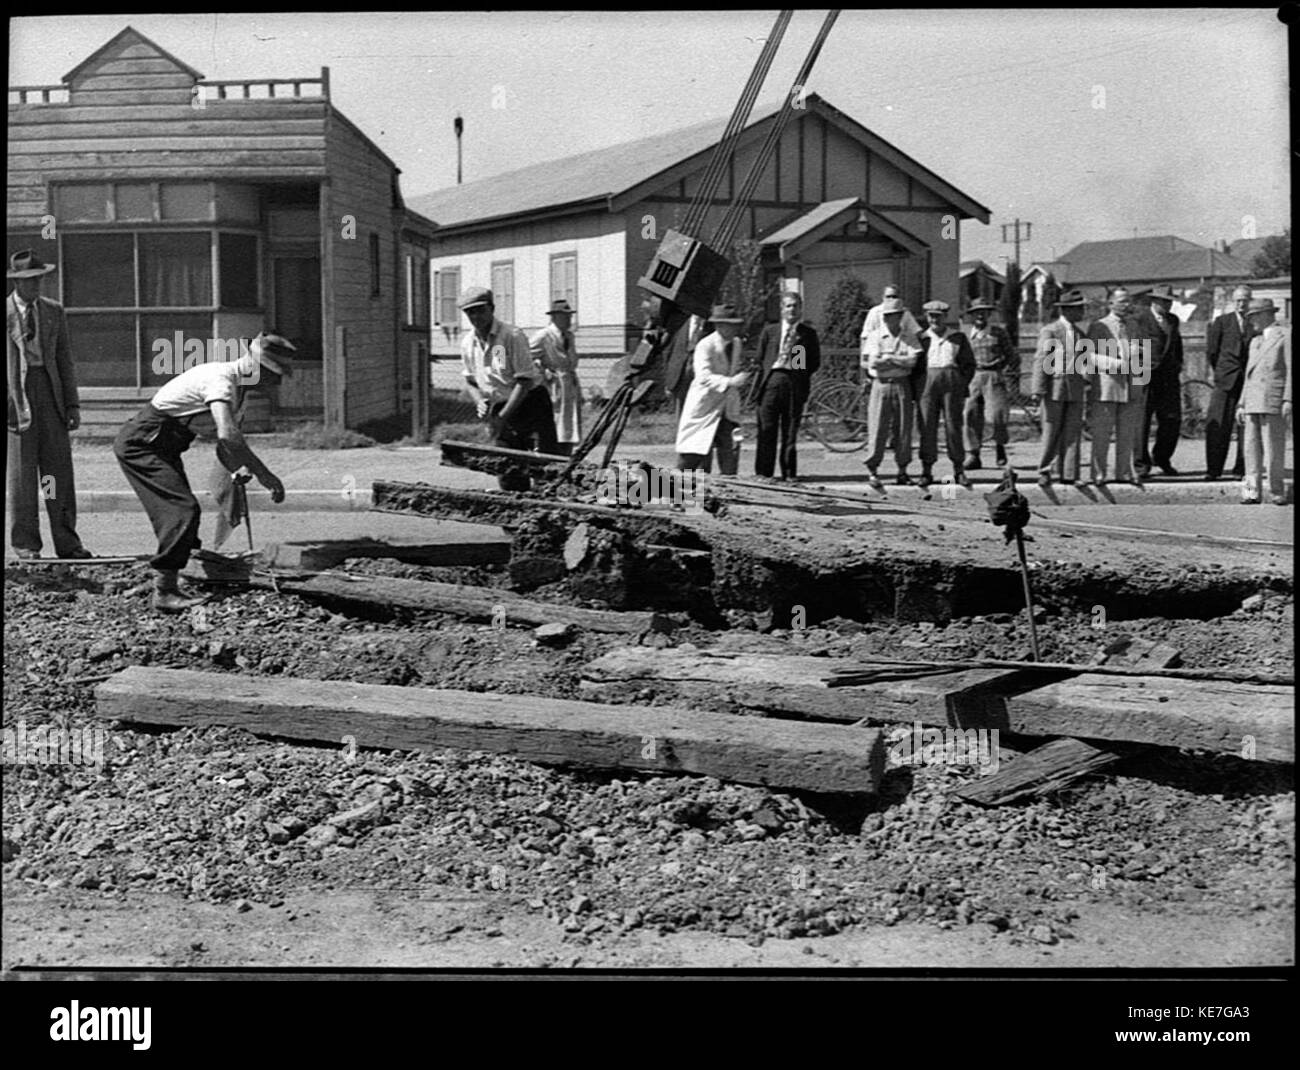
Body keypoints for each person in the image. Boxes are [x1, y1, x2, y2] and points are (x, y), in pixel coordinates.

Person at [114, 332, 291, 612]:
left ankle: (183, 574)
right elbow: (228, 436)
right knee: (182, 511)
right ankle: (164, 591)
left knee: (178, 517)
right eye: (273, 377)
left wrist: (238, 468)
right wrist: (265, 475)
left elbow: (226, 445)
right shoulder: (220, 380)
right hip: (142, 444)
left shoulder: (238, 392)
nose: (275, 385)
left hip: (163, 447)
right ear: (256, 368)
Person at [6, 249, 91, 561]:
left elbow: (64, 360)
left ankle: (68, 544)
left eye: (39, 279)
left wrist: (72, 405)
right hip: (16, 398)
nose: (36, 285)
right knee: (22, 475)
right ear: (16, 282)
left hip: (50, 394)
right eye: (30, 281)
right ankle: (26, 545)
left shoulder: (54, 310)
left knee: (56, 475)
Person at [459, 285, 558, 491]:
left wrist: (502, 417)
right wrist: (480, 401)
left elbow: (524, 381)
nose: (475, 316)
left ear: (492, 309)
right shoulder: (468, 343)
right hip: (501, 408)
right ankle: (517, 519)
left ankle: (546, 516)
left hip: (531, 405)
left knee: (544, 469)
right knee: (508, 471)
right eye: (470, 312)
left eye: (480, 310)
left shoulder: (511, 336)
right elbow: (470, 381)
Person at [750, 291, 821, 480]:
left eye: (795, 306)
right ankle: (764, 473)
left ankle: (789, 473)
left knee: (789, 430)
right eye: (788, 306)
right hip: (771, 381)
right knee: (767, 429)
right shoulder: (770, 331)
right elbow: (760, 358)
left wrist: (797, 368)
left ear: (800, 309)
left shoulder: (806, 334)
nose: (792, 310)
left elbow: (812, 363)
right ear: (782, 309)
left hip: (793, 383)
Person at [675, 303, 748, 474]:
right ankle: (673, 490)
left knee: (730, 449)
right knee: (692, 454)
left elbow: (803, 363)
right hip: (706, 404)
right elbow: (703, 376)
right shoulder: (705, 345)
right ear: (720, 325)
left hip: (727, 407)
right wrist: (730, 381)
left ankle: (730, 487)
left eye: (737, 324)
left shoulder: (737, 343)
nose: (736, 328)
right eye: (732, 325)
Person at [1086, 286, 1147, 486]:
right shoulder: (1099, 326)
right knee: (1102, 434)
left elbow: (1142, 355)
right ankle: (1098, 473)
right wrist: (1116, 364)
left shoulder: (1134, 325)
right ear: (1110, 303)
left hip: (1130, 388)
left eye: (1128, 300)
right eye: (1121, 301)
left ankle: (1124, 472)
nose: (1126, 305)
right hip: (1107, 386)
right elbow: (1089, 356)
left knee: (1127, 434)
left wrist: (1140, 383)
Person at [860, 299, 923, 491]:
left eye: (892, 315)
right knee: (877, 427)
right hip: (881, 384)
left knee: (903, 428)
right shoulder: (876, 335)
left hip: (900, 384)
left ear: (900, 316)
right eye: (885, 316)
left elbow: (912, 361)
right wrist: (898, 361)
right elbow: (873, 363)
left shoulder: (908, 336)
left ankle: (902, 469)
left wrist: (889, 359)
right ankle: (873, 469)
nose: (888, 319)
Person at [1030, 288, 1090, 487]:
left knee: (1073, 431)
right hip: (1054, 387)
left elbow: (1084, 362)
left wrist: (1087, 380)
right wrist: (1037, 389)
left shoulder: (1081, 334)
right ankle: (1045, 470)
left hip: (1075, 388)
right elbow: (1041, 359)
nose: (1081, 312)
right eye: (1077, 308)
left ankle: (1070, 473)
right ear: (1066, 310)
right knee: (1051, 430)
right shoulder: (1051, 331)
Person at [916, 299, 976, 488]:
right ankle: (926, 470)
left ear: (945, 317)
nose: (935, 320)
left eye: (938, 316)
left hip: (951, 382)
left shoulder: (957, 337)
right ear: (926, 317)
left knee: (953, 425)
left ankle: (958, 469)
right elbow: (915, 367)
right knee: (927, 426)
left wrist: (960, 382)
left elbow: (969, 364)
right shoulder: (921, 338)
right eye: (931, 316)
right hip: (927, 382)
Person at [1237, 298, 1291, 505]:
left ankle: (1276, 491)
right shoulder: (1255, 341)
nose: (1251, 321)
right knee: (1250, 451)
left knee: (1273, 449)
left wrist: (1288, 398)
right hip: (1252, 401)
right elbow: (1248, 376)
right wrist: (1241, 404)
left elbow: (1290, 370)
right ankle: (1251, 492)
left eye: (1255, 316)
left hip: (1272, 399)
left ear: (1268, 315)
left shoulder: (1284, 336)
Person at [1204, 285, 1255, 480]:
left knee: (1247, 428)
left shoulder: (1255, 324)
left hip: (1248, 383)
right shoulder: (1222, 322)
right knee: (1218, 426)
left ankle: (1241, 469)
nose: (1242, 304)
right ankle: (1213, 470)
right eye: (1238, 300)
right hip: (1225, 381)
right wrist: (1222, 373)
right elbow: (1212, 352)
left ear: (1250, 301)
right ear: (1233, 302)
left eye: (1245, 300)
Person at [961, 298, 1016, 470]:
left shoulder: (998, 333)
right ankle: (973, 454)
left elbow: (1011, 355)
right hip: (973, 377)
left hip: (993, 376)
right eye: (976, 312)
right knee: (969, 415)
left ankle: (999, 446)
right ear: (971, 315)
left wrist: (1000, 368)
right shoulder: (965, 334)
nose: (980, 315)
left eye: (983, 312)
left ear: (988, 314)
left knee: (997, 416)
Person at [1136, 284, 1184, 477]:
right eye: (1163, 301)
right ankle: (1141, 464)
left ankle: (1162, 458)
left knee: (1171, 420)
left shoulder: (1173, 320)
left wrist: (1178, 365)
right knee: (1142, 421)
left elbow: (1177, 346)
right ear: (1153, 301)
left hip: (1169, 378)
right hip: (1146, 376)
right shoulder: (1139, 320)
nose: (1167, 305)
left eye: (1169, 301)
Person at [529, 299, 582, 457]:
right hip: (553, 386)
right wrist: (541, 371)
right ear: (554, 317)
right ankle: (548, 456)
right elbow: (525, 357)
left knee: (569, 425)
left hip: (569, 383)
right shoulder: (544, 335)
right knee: (554, 423)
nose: (568, 319)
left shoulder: (569, 336)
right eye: (564, 316)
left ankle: (566, 456)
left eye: (569, 316)